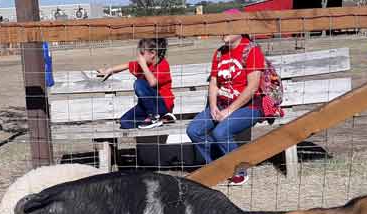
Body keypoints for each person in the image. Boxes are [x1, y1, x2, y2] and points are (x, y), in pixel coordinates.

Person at [186, 9, 281, 186]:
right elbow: (213, 83)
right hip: (222, 105)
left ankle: (239, 170)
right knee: (194, 130)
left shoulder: (251, 50)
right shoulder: (219, 53)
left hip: (251, 106)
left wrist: (229, 111)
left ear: (240, 28)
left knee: (220, 132)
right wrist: (213, 106)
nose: (223, 30)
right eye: (221, 26)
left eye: (228, 26)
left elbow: (252, 87)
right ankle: (217, 166)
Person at [96, 38, 175, 130]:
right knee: (124, 122)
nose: (139, 57)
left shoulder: (163, 65)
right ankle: (158, 120)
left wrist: (143, 65)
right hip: (146, 107)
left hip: (162, 104)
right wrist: (109, 70)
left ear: (152, 53)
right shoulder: (142, 64)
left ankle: (154, 117)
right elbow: (127, 65)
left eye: (142, 54)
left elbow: (153, 82)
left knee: (139, 83)